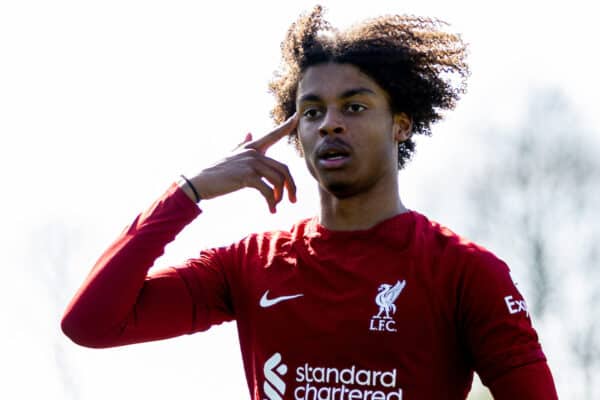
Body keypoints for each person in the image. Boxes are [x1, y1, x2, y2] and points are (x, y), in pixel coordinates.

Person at [61, 6, 558, 399]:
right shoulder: (251, 264)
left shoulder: (466, 272)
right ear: (295, 134)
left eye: (355, 106)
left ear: (400, 124)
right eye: (311, 111)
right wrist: (189, 192)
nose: (330, 124)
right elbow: (90, 324)